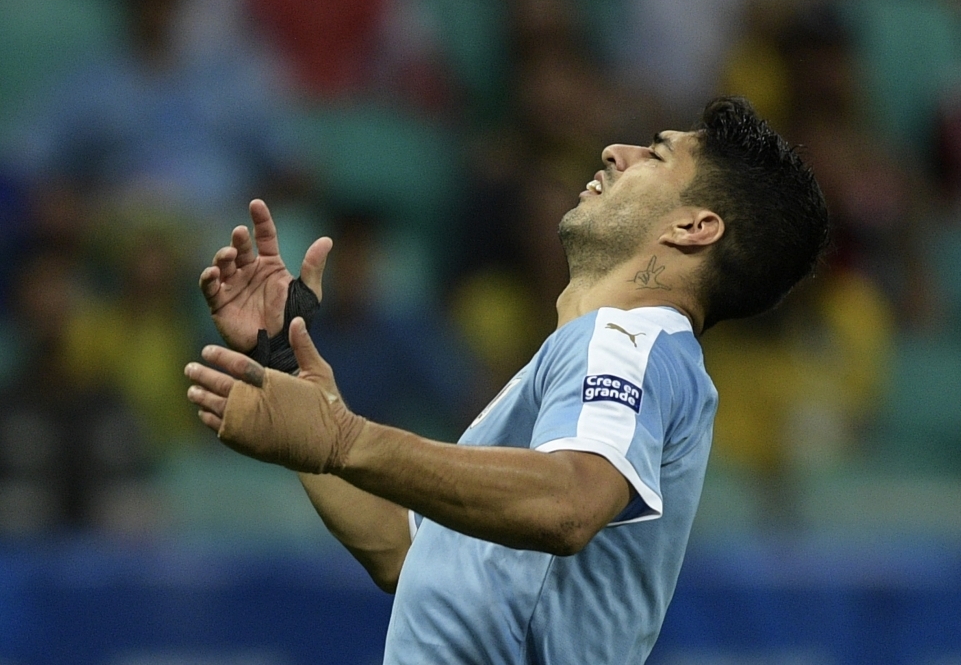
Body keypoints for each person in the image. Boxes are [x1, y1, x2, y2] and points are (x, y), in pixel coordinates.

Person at [184, 97, 829, 664]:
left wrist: (343, 437)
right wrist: (287, 367)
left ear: (693, 227)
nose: (617, 151)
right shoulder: (597, 354)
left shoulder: (629, 339)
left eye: (656, 155)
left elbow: (569, 504)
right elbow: (403, 554)